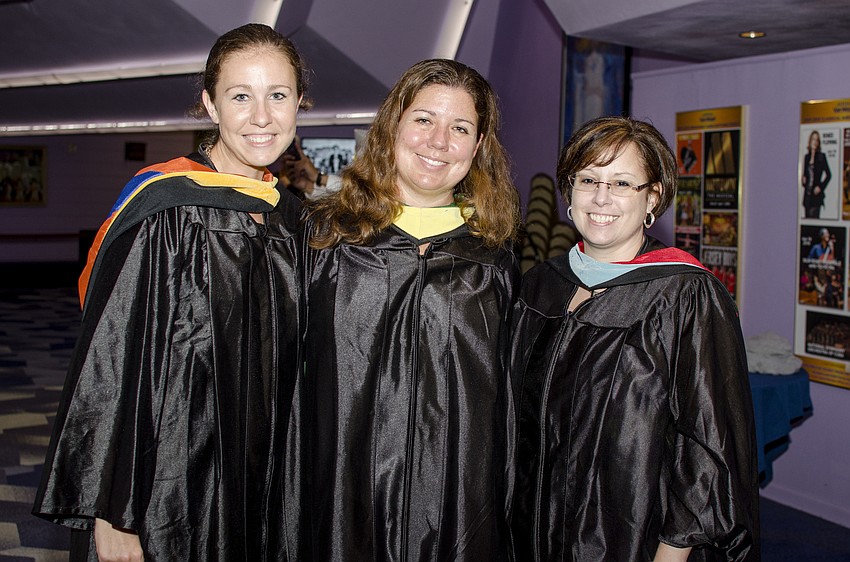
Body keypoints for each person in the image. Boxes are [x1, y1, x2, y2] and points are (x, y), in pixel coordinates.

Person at [32, 23, 309, 561]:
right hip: (169, 478)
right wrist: (113, 506)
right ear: (210, 105)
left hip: (263, 473)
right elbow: (116, 358)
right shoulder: (167, 208)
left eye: (277, 95)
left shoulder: (295, 222)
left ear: (299, 102)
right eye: (239, 96)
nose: (261, 116)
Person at [297, 58, 521, 561]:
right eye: (423, 120)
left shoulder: (494, 256)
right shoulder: (327, 238)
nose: (439, 142)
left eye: (460, 127)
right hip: (341, 497)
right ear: (393, 126)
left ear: (479, 146)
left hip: (455, 505)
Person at [510, 116, 759, 561]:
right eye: (588, 179)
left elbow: (705, 441)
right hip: (532, 530)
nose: (601, 198)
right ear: (569, 191)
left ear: (653, 196)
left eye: (622, 183)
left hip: (630, 537)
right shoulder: (539, 287)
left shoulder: (685, 296)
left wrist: (673, 551)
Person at [801, 130, 831, 218]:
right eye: (813, 139)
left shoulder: (822, 157)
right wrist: (803, 180)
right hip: (807, 197)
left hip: (816, 197)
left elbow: (829, 175)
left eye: (817, 140)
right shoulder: (806, 157)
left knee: (814, 222)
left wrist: (820, 187)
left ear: (818, 143)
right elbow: (804, 180)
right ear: (810, 141)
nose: (814, 142)